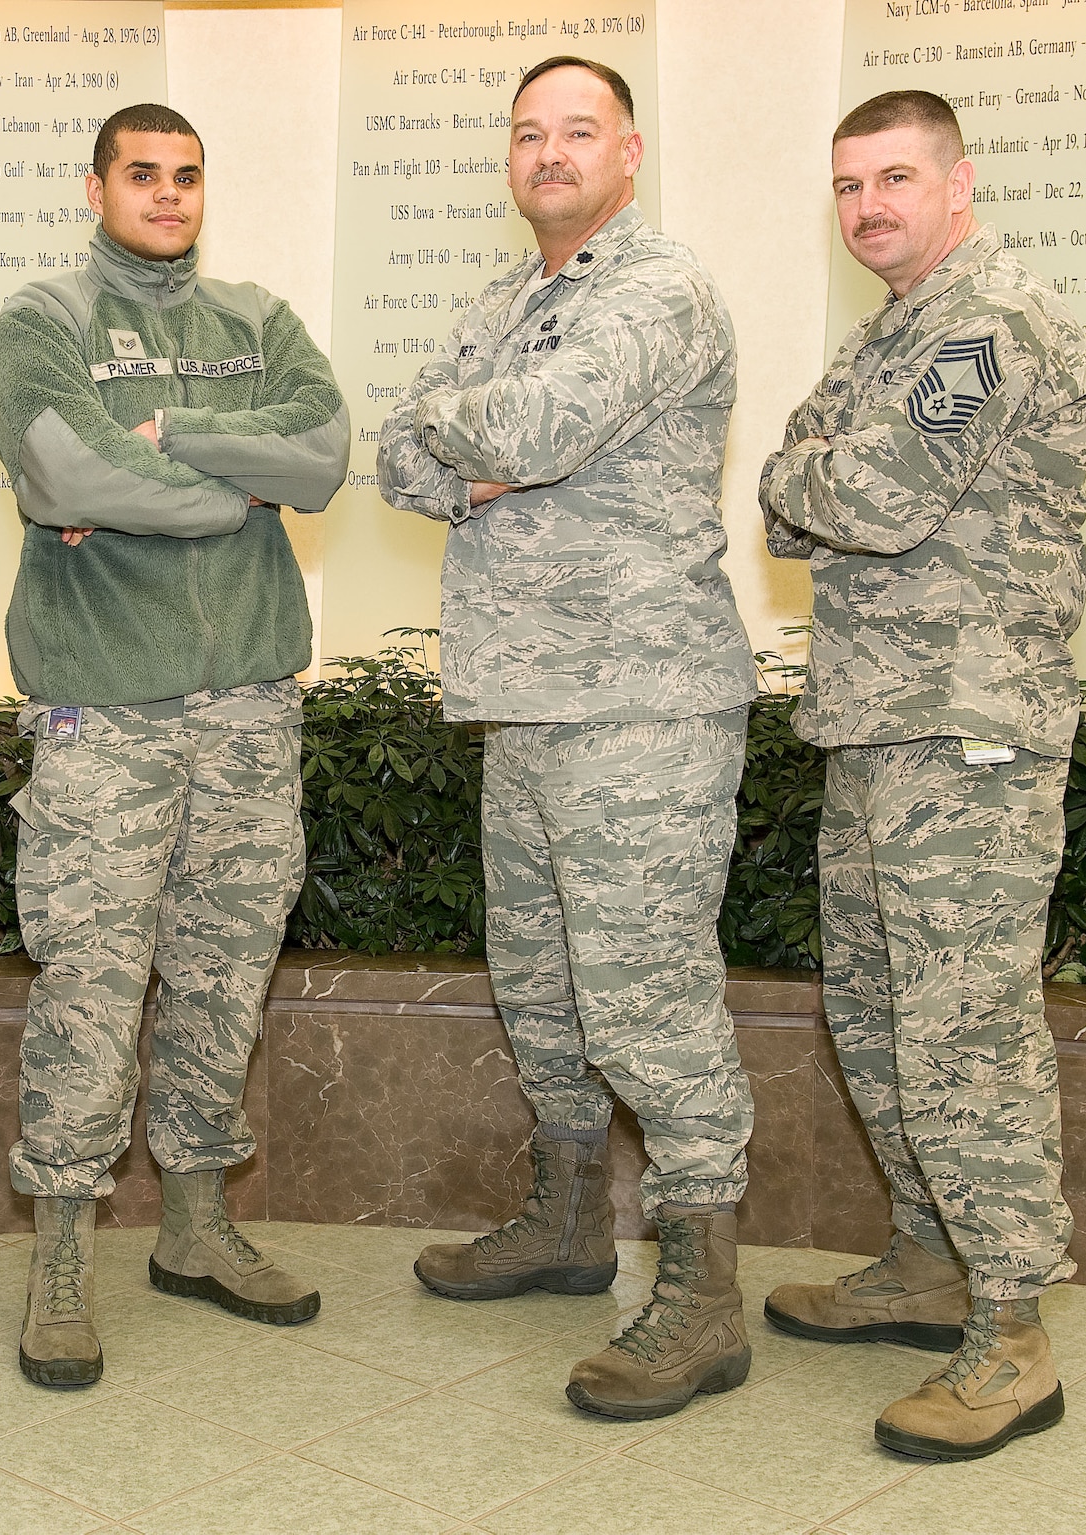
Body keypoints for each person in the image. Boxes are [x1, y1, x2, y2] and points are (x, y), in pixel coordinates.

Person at [378, 56, 757, 1420]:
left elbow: (537, 425)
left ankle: (704, 1289)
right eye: (528, 133)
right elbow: (398, 462)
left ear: (629, 151)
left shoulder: (658, 289)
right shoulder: (504, 305)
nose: (549, 153)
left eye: (576, 131)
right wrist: (466, 447)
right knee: (541, 993)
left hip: (641, 704)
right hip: (528, 704)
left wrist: (480, 442)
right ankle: (568, 1221)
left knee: (648, 998)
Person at [0, 102, 348, 1387]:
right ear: (96, 188)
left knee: (223, 972)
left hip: (250, 706)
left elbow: (321, 455)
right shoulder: (43, 320)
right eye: (142, 175)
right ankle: (63, 1254)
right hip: (103, 709)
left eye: (187, 176)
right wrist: (230, 495)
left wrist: (178, 440)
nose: (167, 195)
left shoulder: (255, 321)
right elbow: (64, 479)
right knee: (89, 983)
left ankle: (194, 1227)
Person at [758, 90, 1086, 1462]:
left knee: (966, 1033)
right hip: (878, 726)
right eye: (849, 187)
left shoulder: (987, 322)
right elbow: (790, 498)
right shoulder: (890, 336)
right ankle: (929, 1256)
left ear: (958, 185)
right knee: (882, 1015)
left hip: (969, 732)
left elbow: (869, 496)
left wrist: (815, 470)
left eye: (895, 178)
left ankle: (1012, 1333)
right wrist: (815, 471)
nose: (870, 207)